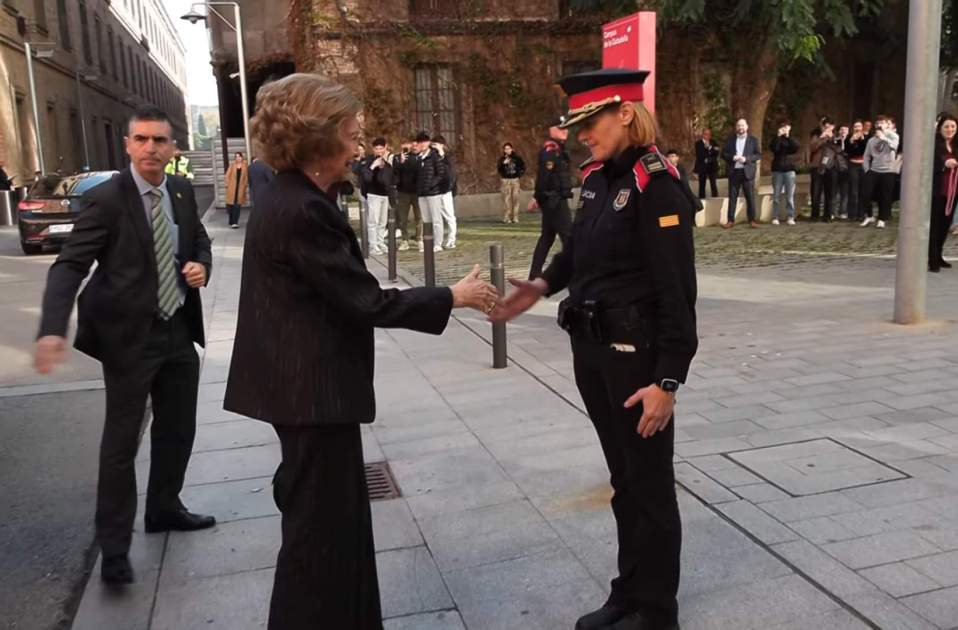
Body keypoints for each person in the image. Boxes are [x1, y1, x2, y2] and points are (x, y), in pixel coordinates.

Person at [222, 74, 498, 630]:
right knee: (319, 540)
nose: (357, 145)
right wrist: (454, 296)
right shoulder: (302, 209)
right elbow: (364, 300)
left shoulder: (290, 194)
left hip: (302, 394)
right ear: (318, 139)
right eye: (349, 134)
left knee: (331, 528)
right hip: (312, 397)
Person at [492, 68, 693, 630]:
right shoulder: (600, 179)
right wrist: (540, 285)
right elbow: (579, 249)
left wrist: (668, 381)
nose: (582, 135)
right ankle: (629, 590)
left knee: (649, 486)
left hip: (640, 361)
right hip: (595, 352)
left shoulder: (659, 185)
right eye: (577, 125)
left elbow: (679, 294)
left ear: (624, 113)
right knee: (625, 482)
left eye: (590, 122)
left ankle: (658, 611)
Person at [34, 106, 215, 586]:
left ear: (173, 147)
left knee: (178, 429)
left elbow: (198, 240)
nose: (152, 148)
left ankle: (164, 508)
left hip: (177, 329)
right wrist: (52, 326)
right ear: (128, 145)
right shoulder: (108, 199)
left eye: (160, 140)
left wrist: (200, 265)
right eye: (143, 140)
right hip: (128, 340)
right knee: (121, 442)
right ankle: (114, 548)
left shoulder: (179, 190)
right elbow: (69, 266)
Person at [528, 119, 573, 280]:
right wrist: (537, 197)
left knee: (547, 237)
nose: (565, 131)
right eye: (561, 128)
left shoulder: (558, 148)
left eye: (566, 128)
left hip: (554, 199)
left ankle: (534, 276)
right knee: (569, 236)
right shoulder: (550, 150)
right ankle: (577, 272)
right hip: (554, 200)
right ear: (551, 130)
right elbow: (544, 177)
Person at [929, 114, 958, 272]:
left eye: (953, 126)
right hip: (937, 191)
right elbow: (930, 163)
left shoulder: (956, 144)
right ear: (940, 128)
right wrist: (944, 164)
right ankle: (932, 258)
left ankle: (938, 255)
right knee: (935, 225)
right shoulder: (933, 144)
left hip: (952, 192)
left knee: (945, 226)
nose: (950, 129)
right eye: (946, 127)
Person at [860, 115, 899, 229]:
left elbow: (894, 147)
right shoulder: (871, 140)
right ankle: (869, 215)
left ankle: (882, 219)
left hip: (889, 171)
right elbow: (866, 156)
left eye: (882, 123)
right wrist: (867, 169)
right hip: (874, 170)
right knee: (865, 193)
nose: (879, 125)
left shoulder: (894, 136)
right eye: (877, 123)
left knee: (885, 195)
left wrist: (884, 138)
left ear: (887, 125)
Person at [721, 118, 761, 228]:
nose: (740, 128)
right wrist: (733, 157)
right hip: (734, 172)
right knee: (732, 197)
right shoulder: (730, 140)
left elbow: (758, 155)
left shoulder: (753, 140)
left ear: (747, 127)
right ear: (736, 127)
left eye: (742, 125)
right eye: (738, 126)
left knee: (750, 197)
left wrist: (746, 159)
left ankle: (752, 220)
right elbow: (723, 154)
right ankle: (730, 221)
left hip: (747, 172)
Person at [362, 137, 397, 256]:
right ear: (373, 149)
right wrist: (373, 166)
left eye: (381, 148)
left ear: (385, 148)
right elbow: (366, 178)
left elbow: (391, 179)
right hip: (373, 195)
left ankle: (380, 242)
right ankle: (373, 245)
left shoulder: (387, 163)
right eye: (376, 149)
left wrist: (384, 167)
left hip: (385, 195)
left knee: (382, 221)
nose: (378, 151)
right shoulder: (369, 161)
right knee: (373, 221)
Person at [414, 130, 448, 253]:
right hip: (421, 194)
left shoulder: (434, 156)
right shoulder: (418, 158)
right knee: (426, 219)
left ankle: (438, 243)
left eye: (424, 141)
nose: (422, 144)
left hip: (434, 193)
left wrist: (432, 185)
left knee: (436, 219)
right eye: (420, 142)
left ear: (428, 142)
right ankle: (429, 242)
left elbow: (441, 173)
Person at [809, 118, 839, 222]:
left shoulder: (836, 136)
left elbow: (839, 150)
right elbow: (812, 147)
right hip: (817, 166)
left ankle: (828, 215)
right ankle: (814, 215)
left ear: (833, 127)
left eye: (830, 126)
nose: (827, 128)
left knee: (830, 192)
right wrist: (821, 138)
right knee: (815, 191)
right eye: (825, 126)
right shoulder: (816, 135)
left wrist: (832, 139)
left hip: (831, 167)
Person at [769, 119, 800, 225]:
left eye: (786, 126)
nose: (784, 128)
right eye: (782, 127)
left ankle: (790, 216)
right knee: (776, 196)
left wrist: (788, 136)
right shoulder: (775, 139)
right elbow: (774, 149)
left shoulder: (792, 139)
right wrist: (778, 136)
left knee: (789, 196)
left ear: (790, 128)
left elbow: (795, 148)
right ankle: (775, 217)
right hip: (777, 170)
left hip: (789, 170)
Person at [395, 140, 423, 252]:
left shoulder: (422, 157)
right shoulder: (398, 158)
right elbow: (395, 173)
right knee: (402, 218)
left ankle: (419, 239)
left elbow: (421, 172)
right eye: (413, 145)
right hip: (403, 192)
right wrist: (400, 162)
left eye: (417, 145)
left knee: (419, 217)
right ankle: (404, 240)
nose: (414, 147)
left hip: (418, 192)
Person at [433, 135, 458, 249]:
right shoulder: (431, 157)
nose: (434, 147)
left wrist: (441, 154)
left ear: (442, 145)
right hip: (435, 191)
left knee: (449, 216)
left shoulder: (448, 157)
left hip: (446, 190)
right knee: (437, 218)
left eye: (436, 144)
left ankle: (451, 239)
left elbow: (450, 173)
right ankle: (438, 240)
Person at [845, 121, 868, 222]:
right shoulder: (849, 138)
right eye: (855, 126)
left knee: (862, 190)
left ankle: (861, 214)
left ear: (862, 127)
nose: (857, 128)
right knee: (853, 190)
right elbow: (847, 151)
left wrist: (862, 139)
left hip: (863, 164)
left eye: (859, 126)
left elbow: (866, 150)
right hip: (853, 164)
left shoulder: (866, 138)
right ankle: (852, 214)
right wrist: (851, 141)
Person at [498, 142, 526, 223]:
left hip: (515, 180)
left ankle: (515, 217)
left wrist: (519, 175)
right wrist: (504, 164)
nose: (507, 150)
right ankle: (507, 217)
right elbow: (499, 169)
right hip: (505, 180)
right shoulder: (502, 159)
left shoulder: (517, 158)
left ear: (512, 149)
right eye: (506, 149)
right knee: (506, 199)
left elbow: (523, 167)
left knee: (516, 198)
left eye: (509, 148)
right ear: (504, 150)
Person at [693, 128, 719, 199]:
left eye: (709, 134)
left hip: (712, 167)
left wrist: (710, 148)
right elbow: (699, 155)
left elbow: (716, 153)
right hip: (702, 167)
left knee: (713, 184)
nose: (707, 136)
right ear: (702, 135)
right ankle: (702, 199)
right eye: (705, 134)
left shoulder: (713, 142)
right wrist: (708, 154)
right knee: (702, 184)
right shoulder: (698, 143)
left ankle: (715, 198)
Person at [225, 152, 249, 228]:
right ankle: (231, 220)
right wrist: (227, 184)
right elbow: (227, 175)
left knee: (237, 205)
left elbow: (246, 177)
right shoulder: (232, 165)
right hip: (232, 187)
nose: (238, 158)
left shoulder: (245, 166)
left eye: (239, 156)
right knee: (230, 205)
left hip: (240, 188)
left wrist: (245, 185)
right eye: (236, 157)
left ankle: (235, 222)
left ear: (242, 157)